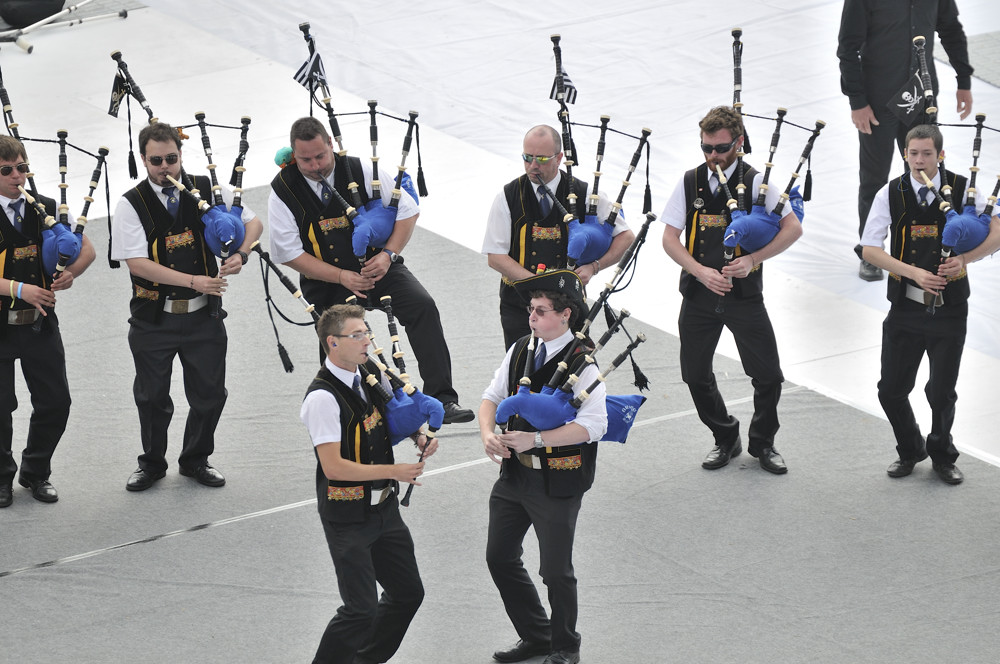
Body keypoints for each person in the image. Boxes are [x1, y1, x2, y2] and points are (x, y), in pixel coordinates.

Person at [268, 116, 474, 424]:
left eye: (320, 156)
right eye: (304, 160)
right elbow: (288, 252)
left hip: (377, 266)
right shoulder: (283, 190)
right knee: (336, 341)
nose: (314, 166)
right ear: (293, 156)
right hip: (328, 280)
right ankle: (355, 411)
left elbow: (407, 210)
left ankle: (442, 399)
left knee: (422, 306)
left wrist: (389, 254)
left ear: (331, 145)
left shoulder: (360, 168)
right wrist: (341, 276)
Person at [111, 122, 263, 492]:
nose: (165, 168)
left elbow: (253, 222)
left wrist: (242, 253)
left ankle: (196, 459)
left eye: (172, 159)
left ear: (181, 155)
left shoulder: (207, 188)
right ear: (143, 160)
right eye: (156, 161)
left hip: (204, 317)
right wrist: (194, 281)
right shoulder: (131, 203)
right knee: (152, 398)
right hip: (153, 318)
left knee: (210, 394)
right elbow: (136, 262)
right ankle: (151, 463)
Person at [660, 106, 801, 474]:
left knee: (768, 375)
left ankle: (763, 443)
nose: (713, 157)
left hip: (744, 296)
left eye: (720, 148)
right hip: (699, 293)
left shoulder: (757, 182)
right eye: (706, 148)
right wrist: (699, 271)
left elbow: (792, 229)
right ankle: (725, 436)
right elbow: (670, 238)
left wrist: (753, 260)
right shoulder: (690, 181)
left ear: (738, 143)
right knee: (695, 374)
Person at [860, 124, 1000, 485]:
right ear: (904, 154)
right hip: (904, 309)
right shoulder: (889, 193)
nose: (919, 160)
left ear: (940, 155)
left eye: (927, 153)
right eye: (913, 153)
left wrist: (967, 259)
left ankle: (942, 455)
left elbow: (997, 229)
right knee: (890, 389)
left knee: (941, 392)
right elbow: (871, 249)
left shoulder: (963, 187)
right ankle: (910, 449)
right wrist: (913, 274)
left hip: (950, 308)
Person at [479, 269, 606, 664]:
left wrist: (535, 440)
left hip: (557, 481)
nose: (531, 317)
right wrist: (487, 434)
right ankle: (536, 635)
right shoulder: (521, 348)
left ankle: (566, 644)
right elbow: (492, 395)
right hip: (514, 475)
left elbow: (594, 425)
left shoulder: (584, 363)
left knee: (555, 570)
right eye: (530, 310)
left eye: (540, 311)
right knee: (499, 557)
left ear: (566, 314)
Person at [301, 303, 435, 664]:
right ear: (333, 342)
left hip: (385, 512)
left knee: (408, 593)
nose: (367, 341)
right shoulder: (322, 399)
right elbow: (333, 467)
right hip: (348, 515)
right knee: (360, 609)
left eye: (367, 333)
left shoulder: (368, 375)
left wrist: (418, 436)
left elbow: (388, 420)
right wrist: (395, 472)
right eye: (357, 335)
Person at [837, 0, 974, 281]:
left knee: (925, 174)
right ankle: (870, 250)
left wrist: (964, 80)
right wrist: (857, 101)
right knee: (874, 179)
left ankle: (921, 248)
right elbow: (848, 48)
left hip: (921, 97)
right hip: (877, 101)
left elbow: (951, 30)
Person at [0, 135, 95, 506]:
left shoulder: (45, 207)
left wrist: (73, 273)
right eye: (6, 170)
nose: (16, 176)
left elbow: (84, 248)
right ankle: (1, 478)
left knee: (56, 401)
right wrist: (20, 289)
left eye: (22, 168)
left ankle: (36, 473)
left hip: (40, 324)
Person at [483, 124, 634, 349]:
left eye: (542, 159)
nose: (533, 166)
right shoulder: (508, 196)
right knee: (520, 377)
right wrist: (539, 286)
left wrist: (594, 266)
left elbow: (626, 236)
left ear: (559, 158)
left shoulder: (584, 195)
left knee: (569, 377)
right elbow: (495, 256)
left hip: (568, 307)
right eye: (527, 158)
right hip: (520, 306)